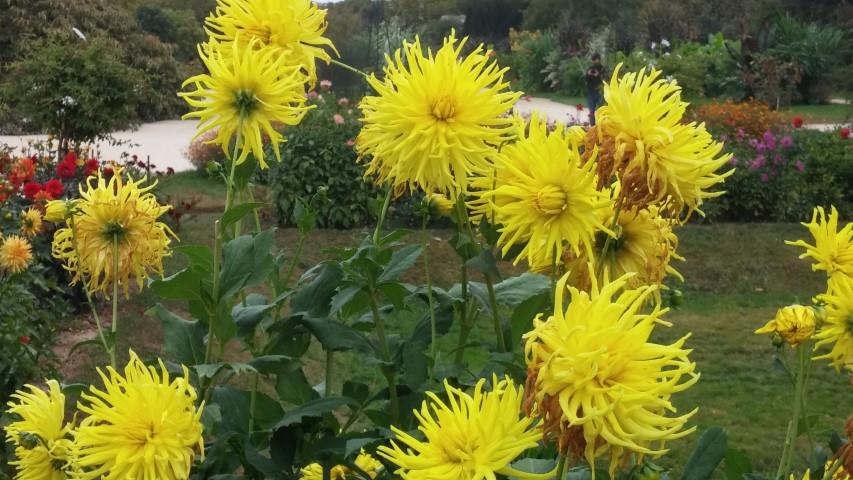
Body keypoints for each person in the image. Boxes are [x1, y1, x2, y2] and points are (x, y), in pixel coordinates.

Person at [585, 53, 606, 126]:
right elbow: (586, 80)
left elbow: (605, 79)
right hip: (591, 91)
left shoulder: (602, 68)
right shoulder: (590, 68)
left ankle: (602, 125)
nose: (594, 62)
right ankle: (592, 126)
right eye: (593, 60)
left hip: (599, 91)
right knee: (591, 111)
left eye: (595, 60)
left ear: (599, 60)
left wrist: (599, 75)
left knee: (601, 109)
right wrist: (588, 74)